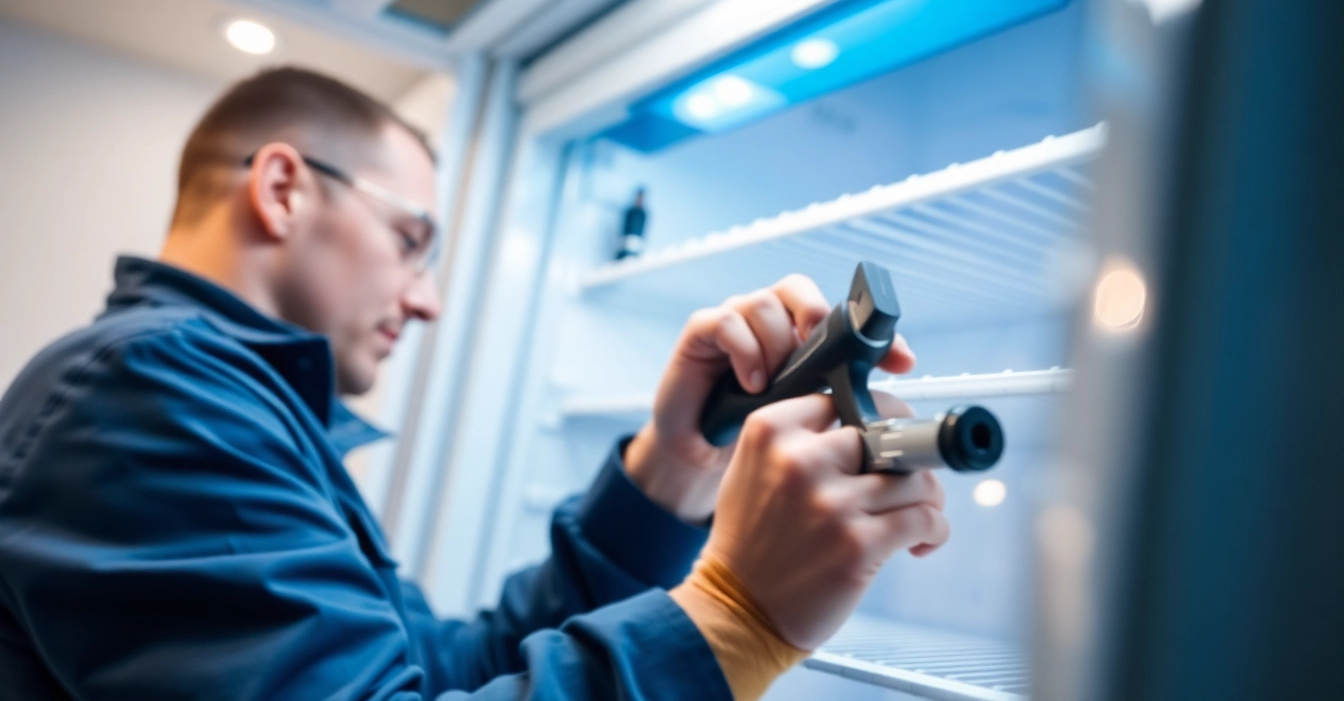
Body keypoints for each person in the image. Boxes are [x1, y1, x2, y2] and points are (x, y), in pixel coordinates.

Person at [0, 68, 949, 700]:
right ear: (282, 189)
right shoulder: (152, 387)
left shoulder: (225, 402)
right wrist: (735, 619)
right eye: (412, 242)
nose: (427, 302)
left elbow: (441, 667)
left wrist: (670, 469)